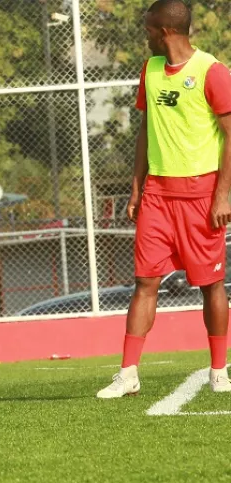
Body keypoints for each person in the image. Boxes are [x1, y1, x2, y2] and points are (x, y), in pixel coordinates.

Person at [97, 0, 231, 398]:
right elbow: (146, 130)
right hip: (157, 193)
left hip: (201, 194)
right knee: (144, 281)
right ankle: (128, 373)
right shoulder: (150, 71)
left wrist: (224, 193)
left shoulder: (212, 71)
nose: (146, 36)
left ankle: (219, 370)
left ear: (167, 31)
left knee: (211, 284)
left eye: (150, 30)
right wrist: (137, 185)